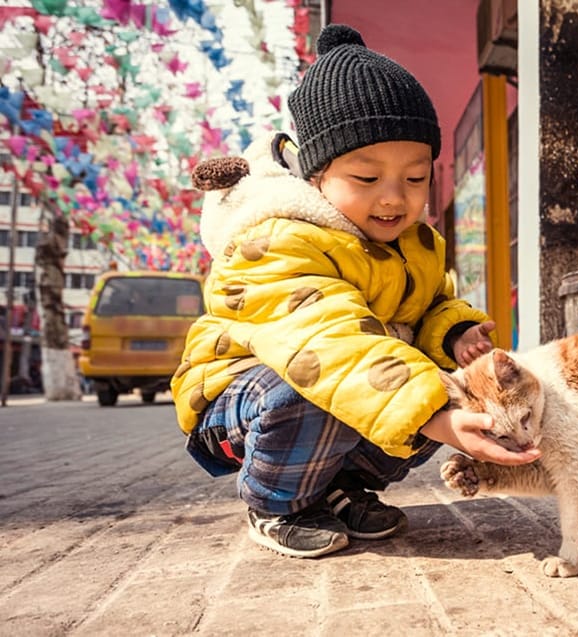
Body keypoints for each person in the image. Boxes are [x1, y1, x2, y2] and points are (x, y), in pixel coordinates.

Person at [171, 24, 540, 559]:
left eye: (415, 179)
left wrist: (455, 331)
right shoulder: (274, 241)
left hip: (345, 373)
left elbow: (432, 302)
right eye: (367, 178)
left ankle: (336, 489)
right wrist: (434, 417)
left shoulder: (416, 245)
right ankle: (275, 502)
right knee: (334, 390)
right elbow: (328, 342)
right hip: (243, 397)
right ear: (315, 175)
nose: (394, 198)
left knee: (430, 385)